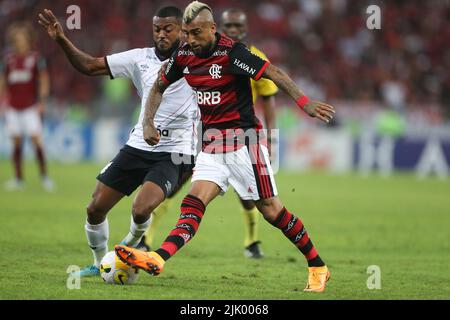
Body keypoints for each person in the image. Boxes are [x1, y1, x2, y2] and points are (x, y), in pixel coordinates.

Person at [116, 1, 335, 292]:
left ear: (211, 29)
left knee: (272, 213)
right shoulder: (184, 55)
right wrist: (147, 122)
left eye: (195, 33)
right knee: (193, 203)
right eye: (186, 33)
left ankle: (317, 266)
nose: (190, 40)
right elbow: (158, 85)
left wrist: (304, 104)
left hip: (245, 145)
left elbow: (275, 74)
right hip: (211, 146)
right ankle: (157, 257)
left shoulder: (233, 54)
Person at [38, 6, 199, 276]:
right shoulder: (139, 58)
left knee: (141, 208)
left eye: (168, 29)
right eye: (157, 29)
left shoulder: (197, 60)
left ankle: (128, 246)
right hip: (139, 144)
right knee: (95, 208)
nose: (161, 34)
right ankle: (101, 263)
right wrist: (62, 40)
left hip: (175, 151)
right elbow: (89, 66)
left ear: (181, 30)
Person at [221, 8, 279, 258]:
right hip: (207, 131)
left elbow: (268, 100)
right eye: (228, 26)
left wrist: (272, 139)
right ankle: (146, 238)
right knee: (175, 183)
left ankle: (252, 241)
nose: (233, 30)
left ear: (246, 29)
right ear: (220, 28)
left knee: (248, 192)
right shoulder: (208, 53)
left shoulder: (255, 57)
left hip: (241, 134)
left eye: (237, 26)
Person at [0, 22, 54, 192]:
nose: (20, 42)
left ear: (28, 40)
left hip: (30, 106)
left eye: (22, 39)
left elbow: (44, 80)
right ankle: (18, 179)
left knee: (36, 140)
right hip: (12, 107)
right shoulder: (8, 59)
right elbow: (3, 81)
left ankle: (45, 177)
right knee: (16, 142)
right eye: (17, 39)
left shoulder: (36, 58)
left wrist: (42, 101)